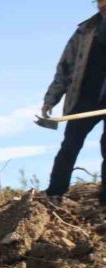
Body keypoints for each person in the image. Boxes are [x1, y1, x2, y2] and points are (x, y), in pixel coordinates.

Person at [43, 1, 106, 203]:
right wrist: (51, 99)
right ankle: (55, 193)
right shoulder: (85, 31)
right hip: (84, 99)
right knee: (70, 145)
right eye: (99, 2)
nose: (102, 5)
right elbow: (65, 67)